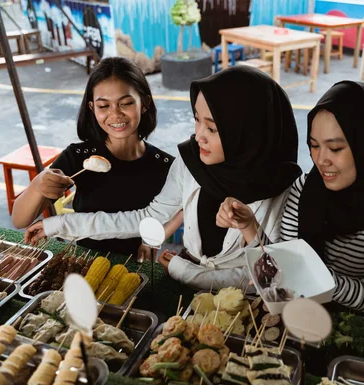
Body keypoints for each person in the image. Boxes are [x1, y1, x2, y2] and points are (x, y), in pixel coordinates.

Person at [24, 66, 302, 290]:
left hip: (240, 302)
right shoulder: (191, 161)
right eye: (196, 120)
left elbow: (276, 276)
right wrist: (59, 223)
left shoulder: (283, 188)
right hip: (183, 282)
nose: (198, 136)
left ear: (247, 132)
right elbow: (147, 217)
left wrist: (188, 273)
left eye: (213, 128)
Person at [218, 81, 364, 313]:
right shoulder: (306, 187)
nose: (321, 160)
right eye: (314, 146)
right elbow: (283, 267)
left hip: (361, 329)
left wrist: (309, 274)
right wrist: (249, 226)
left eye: (335, 149)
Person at [12, 57, 181, 261]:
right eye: (104, 106)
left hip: (137, 265)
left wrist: (152, 239)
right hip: (83, 260)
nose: (115, 114)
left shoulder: (165, 165)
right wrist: (38, 185)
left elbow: (177, 211)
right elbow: (20, 219)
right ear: (92, 108)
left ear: (144, 104)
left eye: (126, 103)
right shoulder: (78, 157)